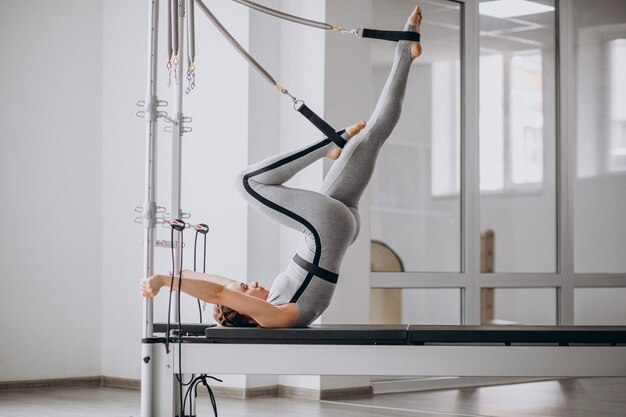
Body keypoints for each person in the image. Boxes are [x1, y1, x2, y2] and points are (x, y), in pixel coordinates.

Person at [141, 5, 423, 328]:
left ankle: (406, 48)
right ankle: (326, 146)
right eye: (247, 290)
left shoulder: (266, 302)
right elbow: (220, 293)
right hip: (324, 230)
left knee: (371, 136)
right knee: (246, 182)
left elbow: (214, 284)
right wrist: (164, 281)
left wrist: (177, 276)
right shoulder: (272, 316)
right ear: (246, 311)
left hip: (337, 230)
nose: (252, 283)